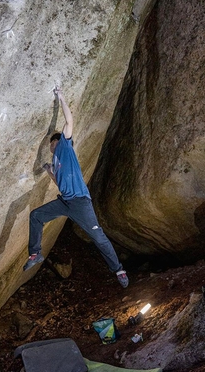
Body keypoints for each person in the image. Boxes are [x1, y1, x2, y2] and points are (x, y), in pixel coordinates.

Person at [23, 87, 129, 288]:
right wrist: (48, 169)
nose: (50, 147)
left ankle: (119, 270)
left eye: (51, 144)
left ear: (56, 141)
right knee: (36, 215)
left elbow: (69, 122)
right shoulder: (56, 162)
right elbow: (59, 183)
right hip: (64, 202)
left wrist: (61, 98)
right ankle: (35, 253)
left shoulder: (65, 146)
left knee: (98, 237)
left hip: (80, 203)